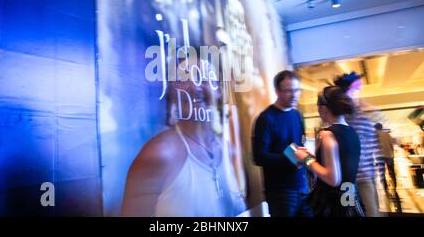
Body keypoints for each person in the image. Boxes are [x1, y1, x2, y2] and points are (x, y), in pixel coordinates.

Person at [121, 63, 246, 217]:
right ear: (172, 92)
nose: (194, 87)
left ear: (219, 90)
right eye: (183, 78)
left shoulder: (229, 151)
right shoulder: (159, 154)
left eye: (203, 78)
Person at [294, 86, 365, 217]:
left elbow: (333, 178)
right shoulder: (352, 132)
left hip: (332, 203)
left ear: (323, 108)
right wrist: (311, 158)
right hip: (350, 198)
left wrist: (305, 159)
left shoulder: (327, 135)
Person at [252, 70, 312, 217]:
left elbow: (300, 145)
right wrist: (291, 159)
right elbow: (259, 156)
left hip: (303, 187)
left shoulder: (297, 115)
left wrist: (307, 159)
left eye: (297, 90)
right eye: (288, 91)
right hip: (280, 191)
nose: (294, 95)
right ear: (277, 91)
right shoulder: (266, 118)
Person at [334, 72, 384, 217]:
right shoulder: (342, 117)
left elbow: (373, 143)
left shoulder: (362, 114)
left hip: (366, 175)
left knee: (372, 211)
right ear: (345, 92)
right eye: (355, 89)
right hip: (351, 177)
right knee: (357, 212)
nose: (358, 94)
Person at [374, 123, 402, 212]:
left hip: (379, 156)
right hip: (389, 155)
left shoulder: (374, 136)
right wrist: (392, 154)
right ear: (381, 127)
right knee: (391, 171)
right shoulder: (387, 134)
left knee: (382, 172)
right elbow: (391, 145)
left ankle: (385, 188)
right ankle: (394, 186)